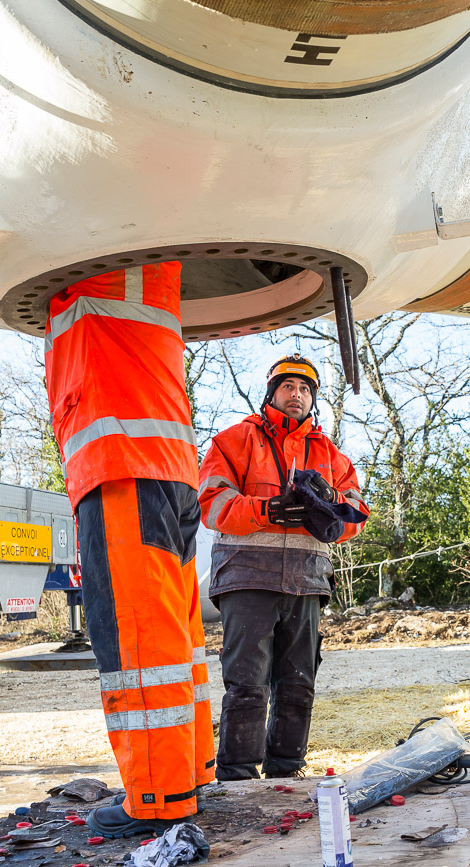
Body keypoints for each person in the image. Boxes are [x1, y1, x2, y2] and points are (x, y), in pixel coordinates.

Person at [45, 263, 213, 838]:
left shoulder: (94, 277)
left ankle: (158, 795)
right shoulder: (155, 286)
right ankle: (187, 773)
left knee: (139, 641)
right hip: (167, 472)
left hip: (121, 469)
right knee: (174, 635)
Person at [198, 354, 369, 781]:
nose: (298, 395)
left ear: (314, 399)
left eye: (306, 389)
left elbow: (357, 512)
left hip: (307, 582)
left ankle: (286, 774)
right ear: (272, 393)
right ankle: (237, 776)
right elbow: (212, 505)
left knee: (298, 684)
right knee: (247, 684)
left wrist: (328, 513)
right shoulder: (232, 441)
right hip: (247, 576)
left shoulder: (331, 454)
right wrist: (268, 509)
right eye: (289, 387)